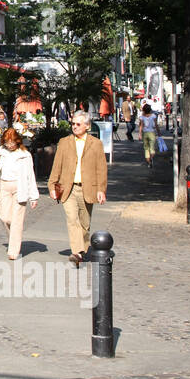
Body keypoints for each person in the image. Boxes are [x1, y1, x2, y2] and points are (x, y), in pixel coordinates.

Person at [47, 110, 108, 266]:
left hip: (88, 188)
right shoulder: (64, 142)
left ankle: (82, 248)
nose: (74, 127)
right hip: (68, 188)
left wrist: (101, 190)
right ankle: (76, 252)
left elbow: (101, 169)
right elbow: (57, 166)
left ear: (87, 126)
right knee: (72, 219)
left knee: (84, 224)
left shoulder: (96, 144)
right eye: (73, 124)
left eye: (78, 124)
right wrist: (52, 185)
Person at [0, 128, 40, 260]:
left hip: (19, 188)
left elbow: (30, 175)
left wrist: (33, 196)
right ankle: (14, 239)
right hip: (4, 186)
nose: (9, 145)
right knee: (4, 217)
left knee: (17, 221)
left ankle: (14, 250)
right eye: (6, 142)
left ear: (17, 141)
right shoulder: (0, 151)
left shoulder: (25, 155)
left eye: (11, 142)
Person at [139, 104, 160, 168]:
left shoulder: (142, 117)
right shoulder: (153, 116)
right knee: (152, 148)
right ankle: (151, 157)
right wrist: (159, 132)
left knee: (146, 148)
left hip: (145, 133)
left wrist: (139, 134)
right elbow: (156, 125)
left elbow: (141, 126)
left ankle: (148, 162)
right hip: (152, 133)